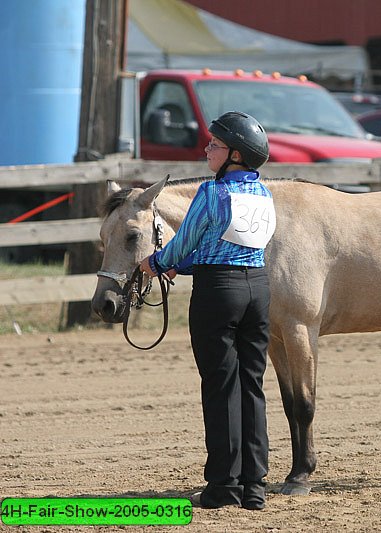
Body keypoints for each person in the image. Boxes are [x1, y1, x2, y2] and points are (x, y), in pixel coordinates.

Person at [140, 111, 275, 510]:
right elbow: (233, 248)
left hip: (219, 293)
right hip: (258, 288)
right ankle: (255, 486)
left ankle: (223, 486)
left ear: (234, 154)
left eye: (214, 145)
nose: (207, 149)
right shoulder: (263, 195)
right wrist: (184, 263)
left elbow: (185, 244)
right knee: (252, 385)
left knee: (219, 386)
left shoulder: (211, 194)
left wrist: (159, 263)